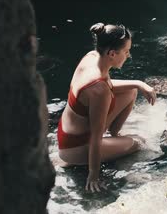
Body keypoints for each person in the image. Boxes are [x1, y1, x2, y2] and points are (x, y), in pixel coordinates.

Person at [57, 22, 157, 192]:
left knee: (131, 90)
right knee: (140, 142)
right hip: (75, 148)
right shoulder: (99, 90)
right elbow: (95, 137)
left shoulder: (92, 57)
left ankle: (114, 135)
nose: (129, 55)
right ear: (112, 53)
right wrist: (93, 175)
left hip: (67, 134)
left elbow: (108, 85)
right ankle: (112, 143)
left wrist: (140, 84)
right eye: (126, 52)